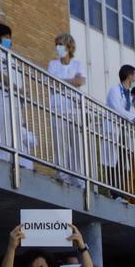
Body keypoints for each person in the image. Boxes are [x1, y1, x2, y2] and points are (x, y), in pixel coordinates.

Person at [0, 21, 36, 169]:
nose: (9, 39)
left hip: (15, 102)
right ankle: (0, 162)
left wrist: (22, 92)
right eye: (6, 36)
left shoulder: (11, 57)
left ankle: (16, 162)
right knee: (3, 133)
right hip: (2, 99)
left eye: (10, 37)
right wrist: (16, 89)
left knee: (16, 135)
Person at [46, 33, 88, 187]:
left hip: (74, 111)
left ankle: (81, 181)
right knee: (60, 145)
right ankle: (63, 177)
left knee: (77, 146)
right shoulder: (52, 64)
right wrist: (71, 81)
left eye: (60, 44)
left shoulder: (77, 64)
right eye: (56, 44)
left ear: (69, 46)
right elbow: (50, 83)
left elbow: (80, 81)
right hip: (57, 110)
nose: (57, 47)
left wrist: (61, 82)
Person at [102, 64, 135, 197]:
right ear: (129, 75)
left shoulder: (129, 95)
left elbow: (132, 113)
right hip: (113, 129)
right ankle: (114, 193)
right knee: (112, 163)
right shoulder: (115, 90)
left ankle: (120, 193)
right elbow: (117, 109)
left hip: (124, 133)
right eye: (134, 74)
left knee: (123, 163)